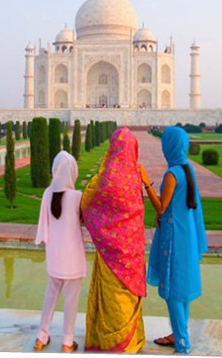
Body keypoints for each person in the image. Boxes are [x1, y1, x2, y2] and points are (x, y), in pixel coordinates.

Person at [139, 126, 208, 355]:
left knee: (172, 292)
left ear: (168, 146)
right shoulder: (187, 169)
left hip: (174, 238)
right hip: (186, 234)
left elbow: (161, 205)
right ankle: (177, 333)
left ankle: (182, 343)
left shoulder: (172, 174)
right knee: (182, 290)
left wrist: (146, 183)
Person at [81, 127, 146, 353]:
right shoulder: (135, 176)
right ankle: (130, 341)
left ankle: (108, 340)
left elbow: (88, 202)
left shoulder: (106, 176)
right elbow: (137, 211)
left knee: (111, 294)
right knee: (125, 293)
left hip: (110, 250)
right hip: (132, 250)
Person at [34, 150, 87, 353]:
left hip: (54, 256)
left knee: (50, 295)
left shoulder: (48, 194)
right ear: (72, 172)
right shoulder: (76, 197)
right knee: (71, 299)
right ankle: (67, 341)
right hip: (72, 258)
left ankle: (41, 336)